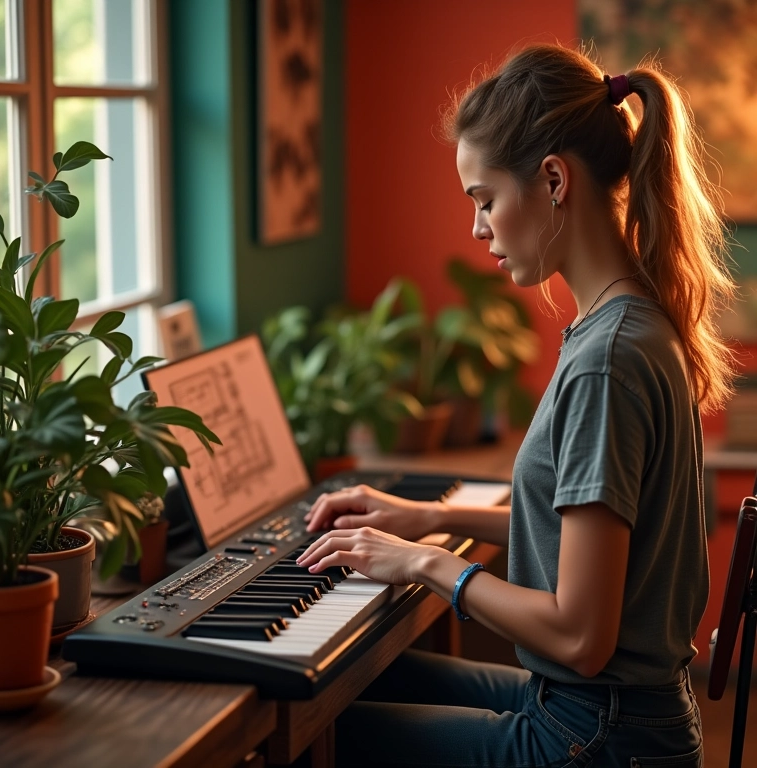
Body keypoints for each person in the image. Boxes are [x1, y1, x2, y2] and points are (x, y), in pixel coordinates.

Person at [297, 42, 737, 768]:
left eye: (484, 199)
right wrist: (432, 518)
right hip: (608, 715)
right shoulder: (627, 322)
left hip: (598, 733)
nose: (478, 229)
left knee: (321, 733)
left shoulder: (606, 361)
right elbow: (588, 536)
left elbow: (577, 635)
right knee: (336, 685)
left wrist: (424, 564)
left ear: (554, 180)